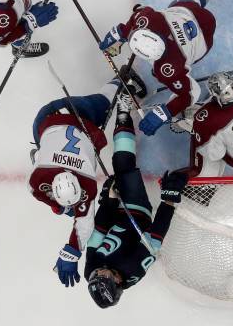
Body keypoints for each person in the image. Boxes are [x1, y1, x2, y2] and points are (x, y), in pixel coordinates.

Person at [28, 68, 146, 288]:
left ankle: (124, 77)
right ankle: (39, 150)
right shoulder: (38, 180)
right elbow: (44, 196)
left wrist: (73, 251)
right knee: (100, 102)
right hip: (46, 119)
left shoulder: (86, 186)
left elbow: (85, 224)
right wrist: (61, 210)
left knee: (104, 106)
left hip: (76, 117)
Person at [83, 92, 188, 308]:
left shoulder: (91, 271)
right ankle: (125, 112)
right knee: (123, 166)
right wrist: (169, 199)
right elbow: (157, 234)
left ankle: (123, 115)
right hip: (137, 212)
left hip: (116, 214)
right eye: (102, 276)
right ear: (116, 280)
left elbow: (100, 229)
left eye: (95, 276)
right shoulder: (133, 267)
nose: (96, 272)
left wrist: (109, 201)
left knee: (118, 169)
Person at [98, 0, 223, 136]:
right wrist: (119, 34)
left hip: (204, 40)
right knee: (183, 3)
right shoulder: (147, 20)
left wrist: (166, 112)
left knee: (182, 4)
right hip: (193, 15)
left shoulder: (167, 69)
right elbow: (136, 16)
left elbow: (191, 92)